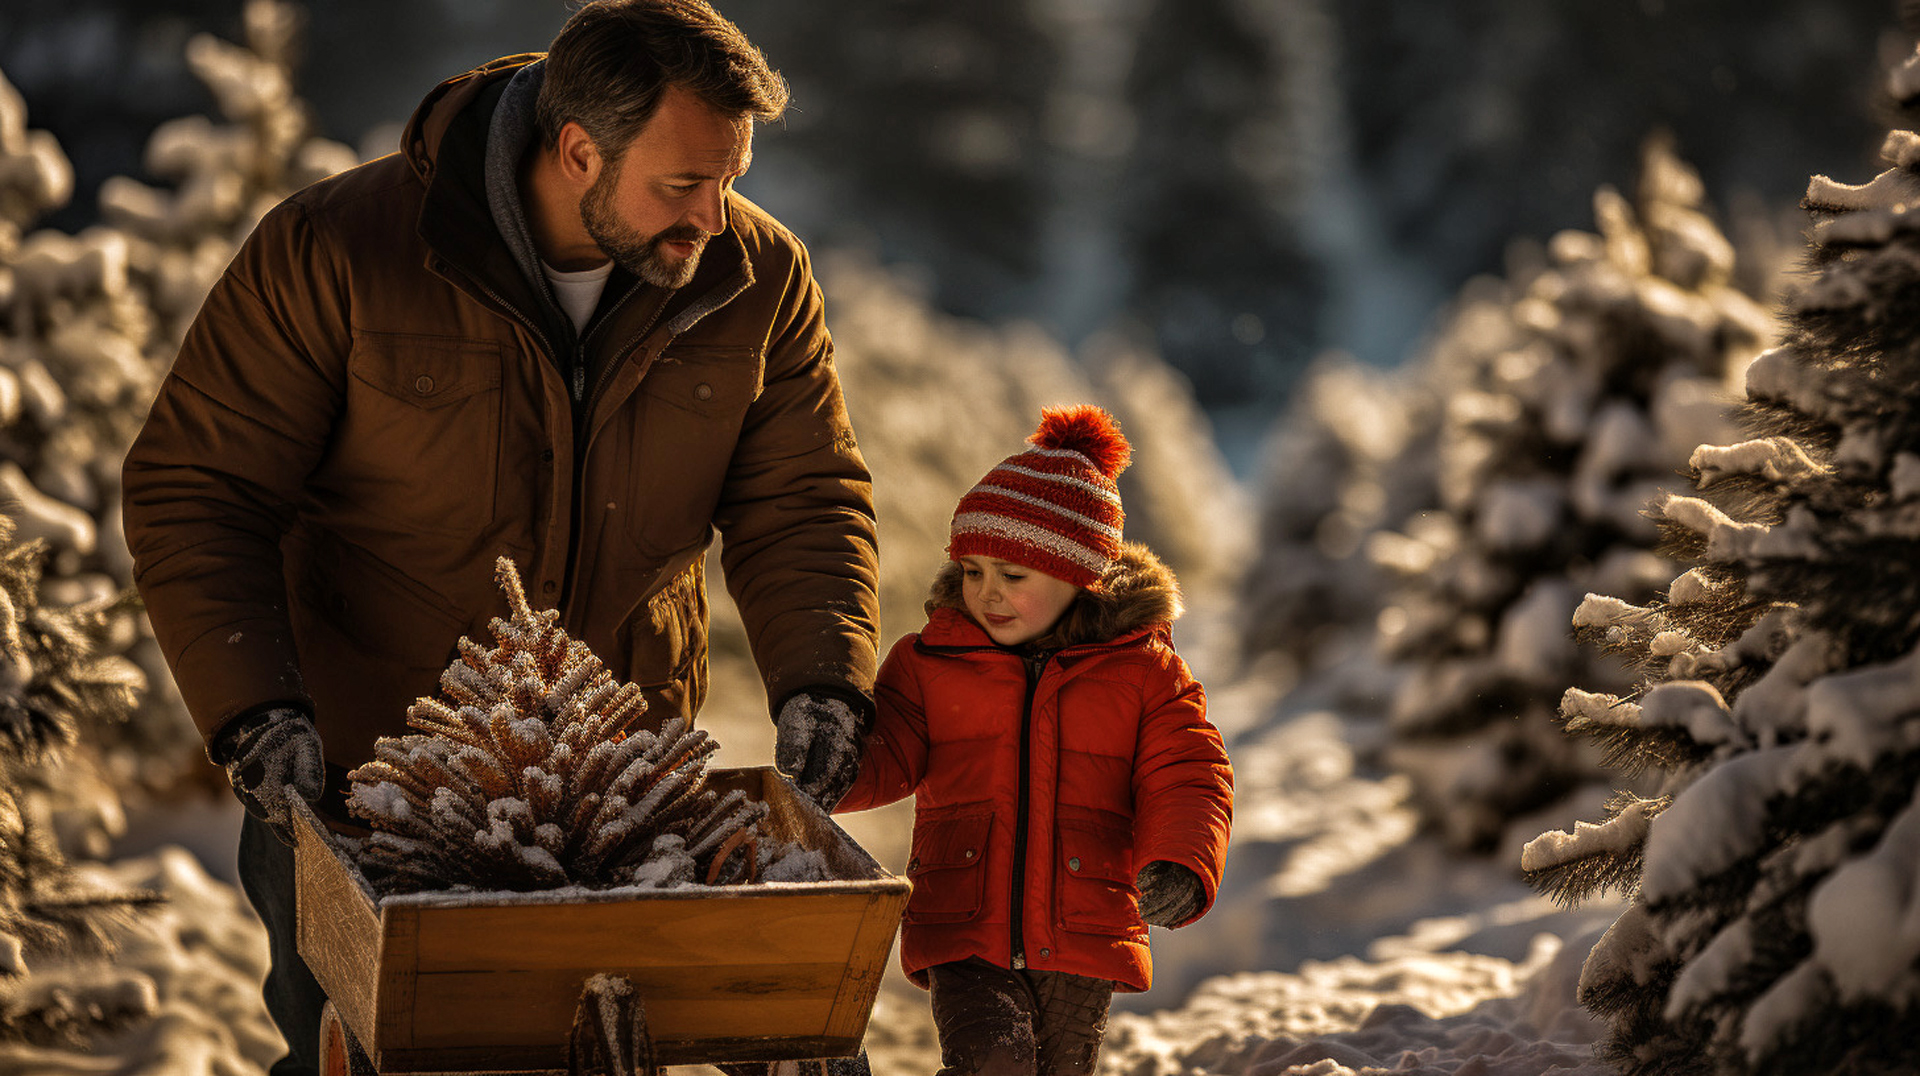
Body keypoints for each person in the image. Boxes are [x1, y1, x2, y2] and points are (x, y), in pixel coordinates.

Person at [120, 2, 879, 1072]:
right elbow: (200, 483)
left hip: (623, 782)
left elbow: (802, 495)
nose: (714, 214)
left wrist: (824, 676)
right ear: (578, 150)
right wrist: (256, 707)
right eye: (681, 184)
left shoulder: (756, 278)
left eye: (731, 177)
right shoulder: (338, 248)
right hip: (364, 782)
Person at [835, 405, 1234, 1076]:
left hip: (1086, 929)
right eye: (973, 571)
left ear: (1078, 576)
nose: (988, 593)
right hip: (962, 922)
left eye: (1013, 576)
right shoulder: (931, 662)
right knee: (992, 1061)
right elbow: (892, 754)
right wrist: (835, 766)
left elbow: (1189, 771)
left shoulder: (1143, 671)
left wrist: (1181, 863)